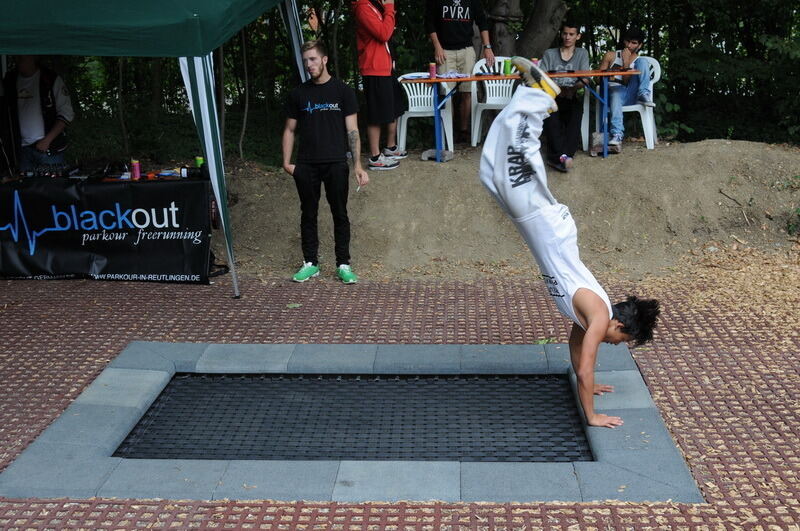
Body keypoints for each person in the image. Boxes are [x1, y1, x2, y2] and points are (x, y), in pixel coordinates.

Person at [479, 57, 660, 428]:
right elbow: (587, 365)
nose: (613, 345)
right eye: (619, 342)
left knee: (491, 173)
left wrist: (588, 383)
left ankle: (533, 98)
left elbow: (578, 352)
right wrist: (591, 415)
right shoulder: (597, 315)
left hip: (549, 229)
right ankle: (539, 97)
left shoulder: (590, 318)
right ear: (620, 327)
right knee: (514, 163)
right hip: (547, 228)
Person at [282, 41, 369, 284]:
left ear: (324, 59)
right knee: (307, 213)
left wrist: (358, 166)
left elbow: (353, 131)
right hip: (306, 164)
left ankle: (343, 264)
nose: (309, 65)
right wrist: (286, 162)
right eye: (305, 61)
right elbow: (289, 130)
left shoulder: (343, 92)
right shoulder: (299, 93)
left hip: (336, 162)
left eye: (312, 59)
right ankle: (310, 263)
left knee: (339, 213)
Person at [425, 0, 495, 143]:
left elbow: (482, 21)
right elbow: (429, 22)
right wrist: (437, 46)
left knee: (467, 92)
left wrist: (487, 47)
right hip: (444, 50)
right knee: (446, 94)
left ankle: (463, 131)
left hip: (466, 50)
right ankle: (447, 133)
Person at [353, 0, 408, 170]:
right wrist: (390, 8)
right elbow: (384, 33)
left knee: (395, 106)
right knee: (376, 113)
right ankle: (375, 157)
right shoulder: (362, 7)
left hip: (385, 67)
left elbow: (388, 31)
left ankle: (390, 147)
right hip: (373, 68)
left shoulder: (375, 5)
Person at [1, 55, 74, 174]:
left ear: (34, 57)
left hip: (49, 150)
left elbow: (67, 113)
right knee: (25, 190)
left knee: (51, 188)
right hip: (21, 150)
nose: (17, 60)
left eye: (21, 57)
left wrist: (47, 140)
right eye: (16, 57)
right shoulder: (10, 80)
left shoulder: (50, 78)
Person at [540, 21, 590, 172]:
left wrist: (573, 88)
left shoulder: (582, 53)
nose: (567, 37)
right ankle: (561, 158)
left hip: (571, 95)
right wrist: (557, 89)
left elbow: (586, 79)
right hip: (553, 96)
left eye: (571, 34)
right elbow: (541, 78)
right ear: (561, 34)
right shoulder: (549, 54)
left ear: (578, 36)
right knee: (552, 116)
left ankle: (563, 156)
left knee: (576, 113)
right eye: (565, 34)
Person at [598, 28, 655, 147]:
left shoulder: (639, 61)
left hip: (632, 94)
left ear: (640, 45)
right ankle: (617, 134)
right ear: (624, 41)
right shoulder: (610, 55)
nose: (629, 45)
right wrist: (611, 76)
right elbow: (598, 79)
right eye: (627, 41)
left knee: (643, 61)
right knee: (617, 91)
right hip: (611, 95)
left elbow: (626, 81)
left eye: (634, 43)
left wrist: (626, 63)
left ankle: (644, 93)